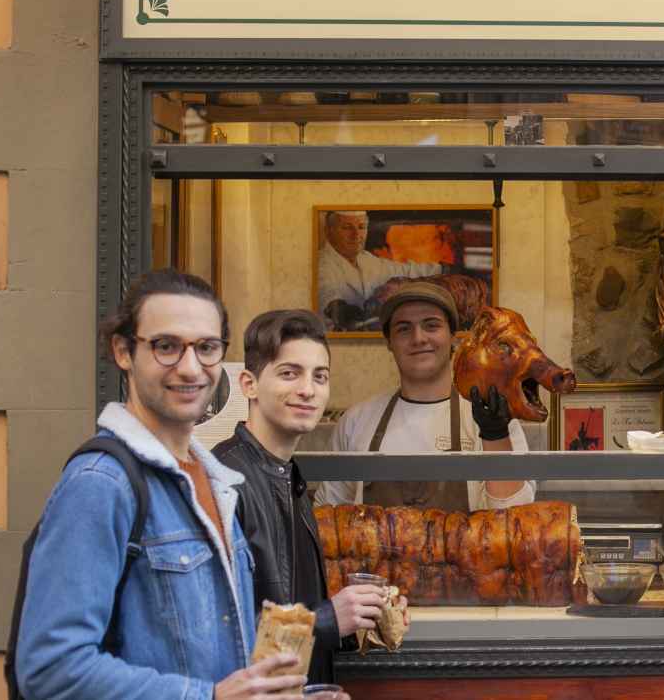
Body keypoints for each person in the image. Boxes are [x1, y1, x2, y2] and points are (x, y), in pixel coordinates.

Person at [15, 269, 305, 700]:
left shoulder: (217, 481)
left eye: (206, 348)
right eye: (166, 346)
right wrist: (208, 697)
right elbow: (52, 669)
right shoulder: (100, 484)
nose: (190, 368)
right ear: (124, 351)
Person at [212, 309, 385, 684]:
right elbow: (217, 630)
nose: (308, 389)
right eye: (289, 373)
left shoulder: (289, 477)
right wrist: (326, 619)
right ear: (249, 384)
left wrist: (355, 620)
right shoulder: (223, 480)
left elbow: (294, 608)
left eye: (319, 376)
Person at [316, 281, 534, 511]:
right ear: (389, 342)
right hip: (373, 549)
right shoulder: (356, 421)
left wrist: (495, 437)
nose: (418, 338)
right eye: (403, 328)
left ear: (453, 337)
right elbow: (327, 515)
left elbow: (515, 520)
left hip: (463, 549)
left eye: (431, 325)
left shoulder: (494, 418)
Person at [317, 210, 442, 328]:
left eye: (361, 227)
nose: (356, 235)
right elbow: (326, 292)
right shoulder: (320, 263)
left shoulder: (367, 260)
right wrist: (339, 309)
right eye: (347, 227)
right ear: (329, 231)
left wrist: (444, 269)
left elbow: (406, 271)